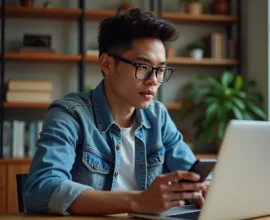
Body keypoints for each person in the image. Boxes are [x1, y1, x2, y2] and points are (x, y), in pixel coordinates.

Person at [23, 8, 211, 216]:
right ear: (107, 64)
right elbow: (41, 189)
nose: (154, 80)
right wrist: (137, 201)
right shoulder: (69, 115)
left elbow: (193, 173)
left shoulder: (158, 116)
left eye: (160, 69)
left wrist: (207, 187)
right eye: (143, 66)